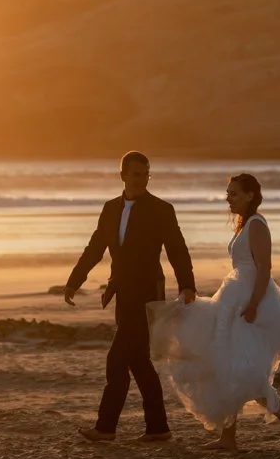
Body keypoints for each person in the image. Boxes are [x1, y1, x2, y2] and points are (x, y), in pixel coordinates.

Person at [147, 173, 280, 451]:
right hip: (234, 296)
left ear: (250, 195)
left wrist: (254, 304)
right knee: (224, 362)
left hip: (248, 299)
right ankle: (229, 437)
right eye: (227, 193)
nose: (228, 198)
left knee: (241, 368)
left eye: (234, 193)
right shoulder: (243, 224)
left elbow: (265, 269)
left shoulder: (256, 224)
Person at [64, 151, 196, 442]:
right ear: (123, 175)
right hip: (122, 292)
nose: (141, 179)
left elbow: (177, 249)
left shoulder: (161, 209)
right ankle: (158, 428)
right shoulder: (110, 208)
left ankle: (106, 427)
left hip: (147, 294)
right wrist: (74, 281)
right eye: (136, 174)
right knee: (137, 361)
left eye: (146, 174)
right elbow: (95, 247)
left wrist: (187, 285)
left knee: (116, 359)